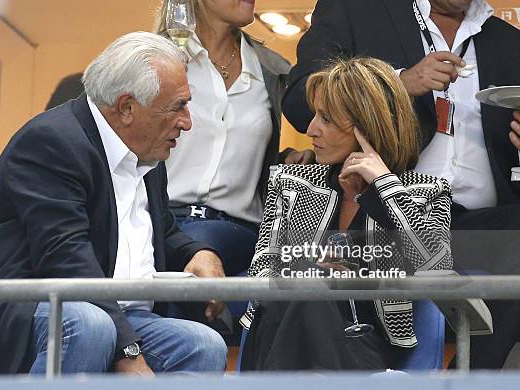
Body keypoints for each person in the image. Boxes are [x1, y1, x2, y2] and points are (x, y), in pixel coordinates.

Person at [0, 32, 227, 375]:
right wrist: (129, 352)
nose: (187, 122)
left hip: (117, 313)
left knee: (204, 345)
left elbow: (159, 228)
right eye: (177, 106)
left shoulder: (148, 149)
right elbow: (64, 257)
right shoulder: (52, 142)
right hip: (15, 313)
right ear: (127, 107)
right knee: (88, 325)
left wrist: (196, 253)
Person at [282, 0, 520, 368]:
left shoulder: (509, 41)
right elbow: (300, 102)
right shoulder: (354, 10)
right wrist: (397, 82)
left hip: (477, 224)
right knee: (305, 279)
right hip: (385, 213)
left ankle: (468, 376)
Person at [240, 57, 453, 371]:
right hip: (282, 337)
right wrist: (312, 269)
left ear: (368, 125)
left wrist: (384, 186)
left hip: (363, 349)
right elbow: (262, 272)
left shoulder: (425, 192)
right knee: (307, 289)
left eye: (326, 119)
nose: (311, 129)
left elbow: (436, 269)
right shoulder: (292, 184)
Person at [153, 0, 315, 279]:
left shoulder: (274, 70)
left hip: (241, 233)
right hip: (162, 223)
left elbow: (242, 153)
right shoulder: (153, 58)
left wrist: (284, 160)